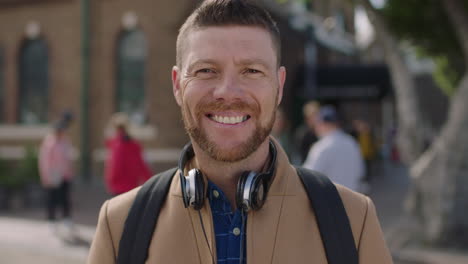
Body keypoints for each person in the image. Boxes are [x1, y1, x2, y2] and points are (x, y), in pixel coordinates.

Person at [88, 1, 392, 263]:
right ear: (178, 85)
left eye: (252, 71)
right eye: (206, 70)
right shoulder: (120, 225)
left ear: (279, 86)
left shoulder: (353, 220)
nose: (228, 92)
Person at [303, 106, 365, 192]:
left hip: (328, 201)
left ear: (323, 123)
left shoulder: (321, 146)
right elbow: (361, 172)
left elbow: (307, 177)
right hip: (352, 199)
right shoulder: (352, 142)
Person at [38, 112, 74, 229]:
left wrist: (69, 171)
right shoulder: (50, 143)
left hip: (64, 175)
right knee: (52, 198)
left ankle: (66, 219)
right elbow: (44, 160)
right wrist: (45, 176)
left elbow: (68, 158)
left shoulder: (65, 142)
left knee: (65, 198)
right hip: (53, 174)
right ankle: (51, 219)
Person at [103, 112, 152, 196]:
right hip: (132, 184)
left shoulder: (116, 144)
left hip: (118, 186)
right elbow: (142, 164)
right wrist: (150, 180)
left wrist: (109, 180)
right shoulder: (134, 144)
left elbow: (115, 166)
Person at [292, 101, 319, 165]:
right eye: (313, 115)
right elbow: (297, 156)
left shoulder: (322, 132)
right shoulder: (302, 133)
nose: (316, 118)